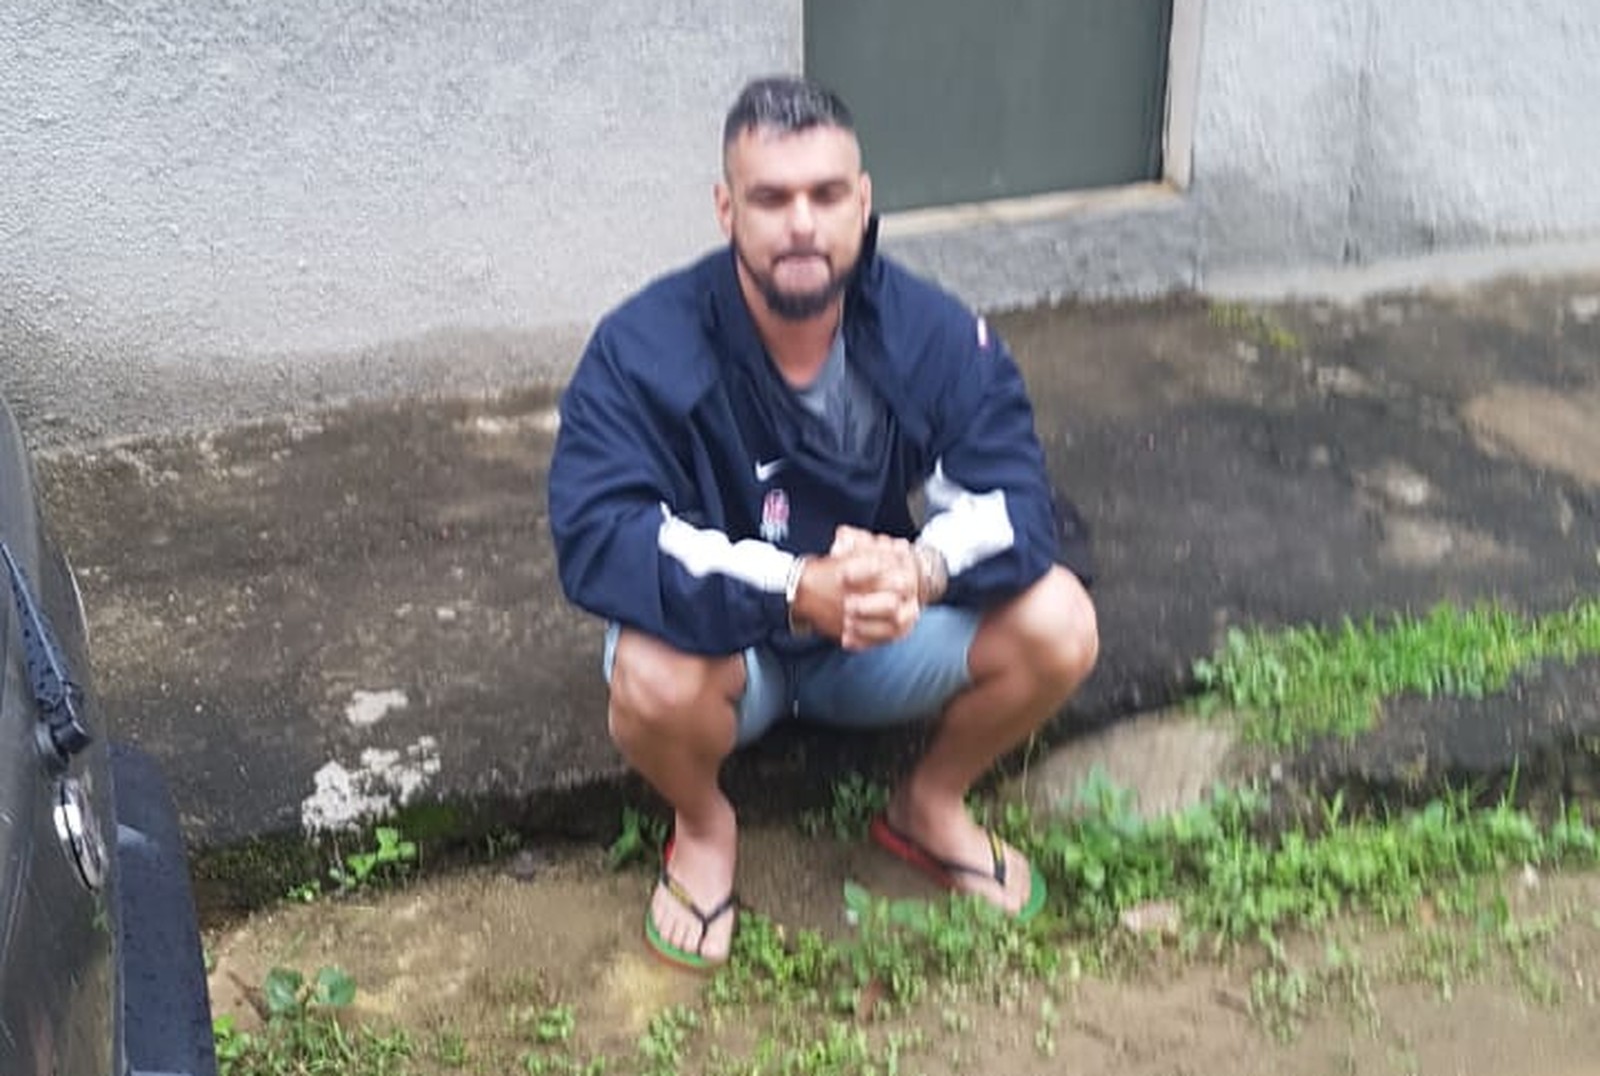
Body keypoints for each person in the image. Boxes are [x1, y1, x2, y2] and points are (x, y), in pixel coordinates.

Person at [548, 75, 1098, 971]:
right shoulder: (642, 347)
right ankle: (704, 825)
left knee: (1061, 619)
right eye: (771, 198)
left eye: (826, 194)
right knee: (646, 676)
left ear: (863, 201)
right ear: (726, 208)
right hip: (733, 654)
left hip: (869, 641)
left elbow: (1017, 501)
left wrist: (918, 570)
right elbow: (601, 533)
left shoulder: (929, 331)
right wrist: (798, 587)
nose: (802, 223)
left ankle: (930, 804)